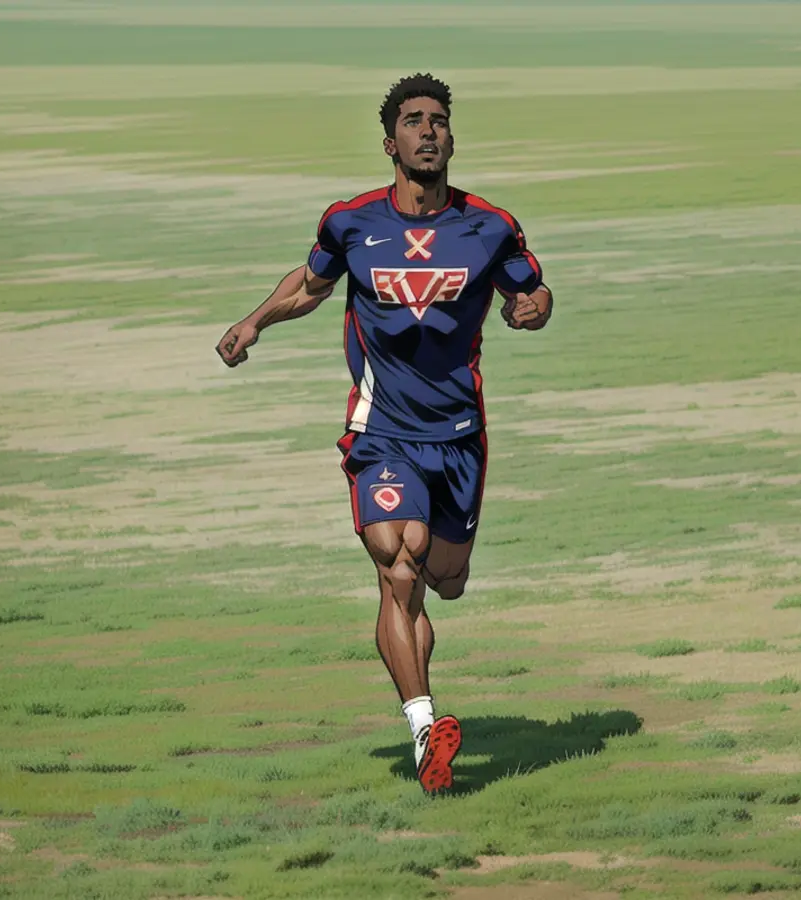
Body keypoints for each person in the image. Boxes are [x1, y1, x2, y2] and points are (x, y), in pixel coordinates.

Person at [216, 73, 553, 793]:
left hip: (458, 433)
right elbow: (309, 286)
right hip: (383, 429)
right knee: (399, 561)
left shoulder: (489, 226)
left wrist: (534, 309)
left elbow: (532, 287)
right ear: (390, 141)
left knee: (444, 579)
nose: (427, 130)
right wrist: (253, 322)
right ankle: (426, 730)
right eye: (413, 120)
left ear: (451, 139)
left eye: (438, 121)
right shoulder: (352, 223)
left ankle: (428, 693)